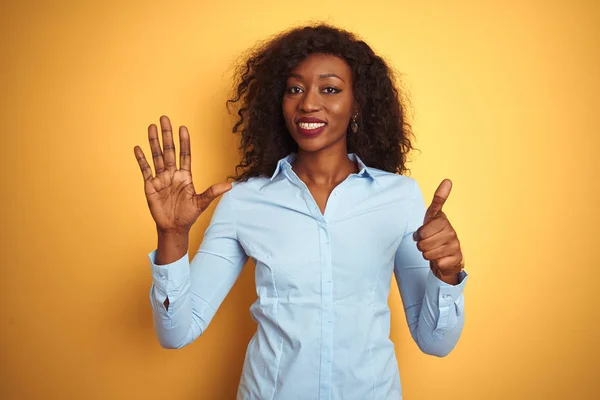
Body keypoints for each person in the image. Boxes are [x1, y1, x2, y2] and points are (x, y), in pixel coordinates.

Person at [133, 23, 468, 400]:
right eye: (295, 88)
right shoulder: (244, 200)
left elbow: (435, 343)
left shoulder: (400, 197)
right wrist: (173, 236)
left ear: (357, 103)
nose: (308, 103)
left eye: (330, 89)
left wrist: (448, 275)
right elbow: (176, 332)